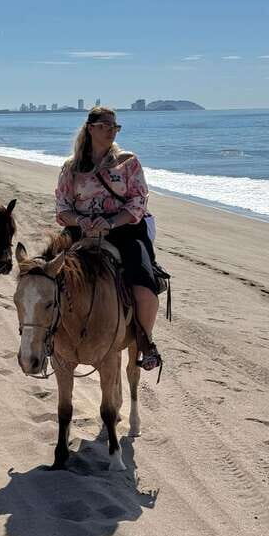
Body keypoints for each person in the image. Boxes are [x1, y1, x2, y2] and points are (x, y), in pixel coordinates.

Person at [55, 106, 163, 370]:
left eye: (115, 126)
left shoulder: (128, 161)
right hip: (80, 230)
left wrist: (112, 222)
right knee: (46, 273)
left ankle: (145, 342)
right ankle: (47, 336)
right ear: (90, 128)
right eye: (105, 126)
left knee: (145, 286)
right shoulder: (71, 167)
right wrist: (81, 221)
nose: (111, 131)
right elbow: (62, 207)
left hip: (124, 231)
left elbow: (138, 201)